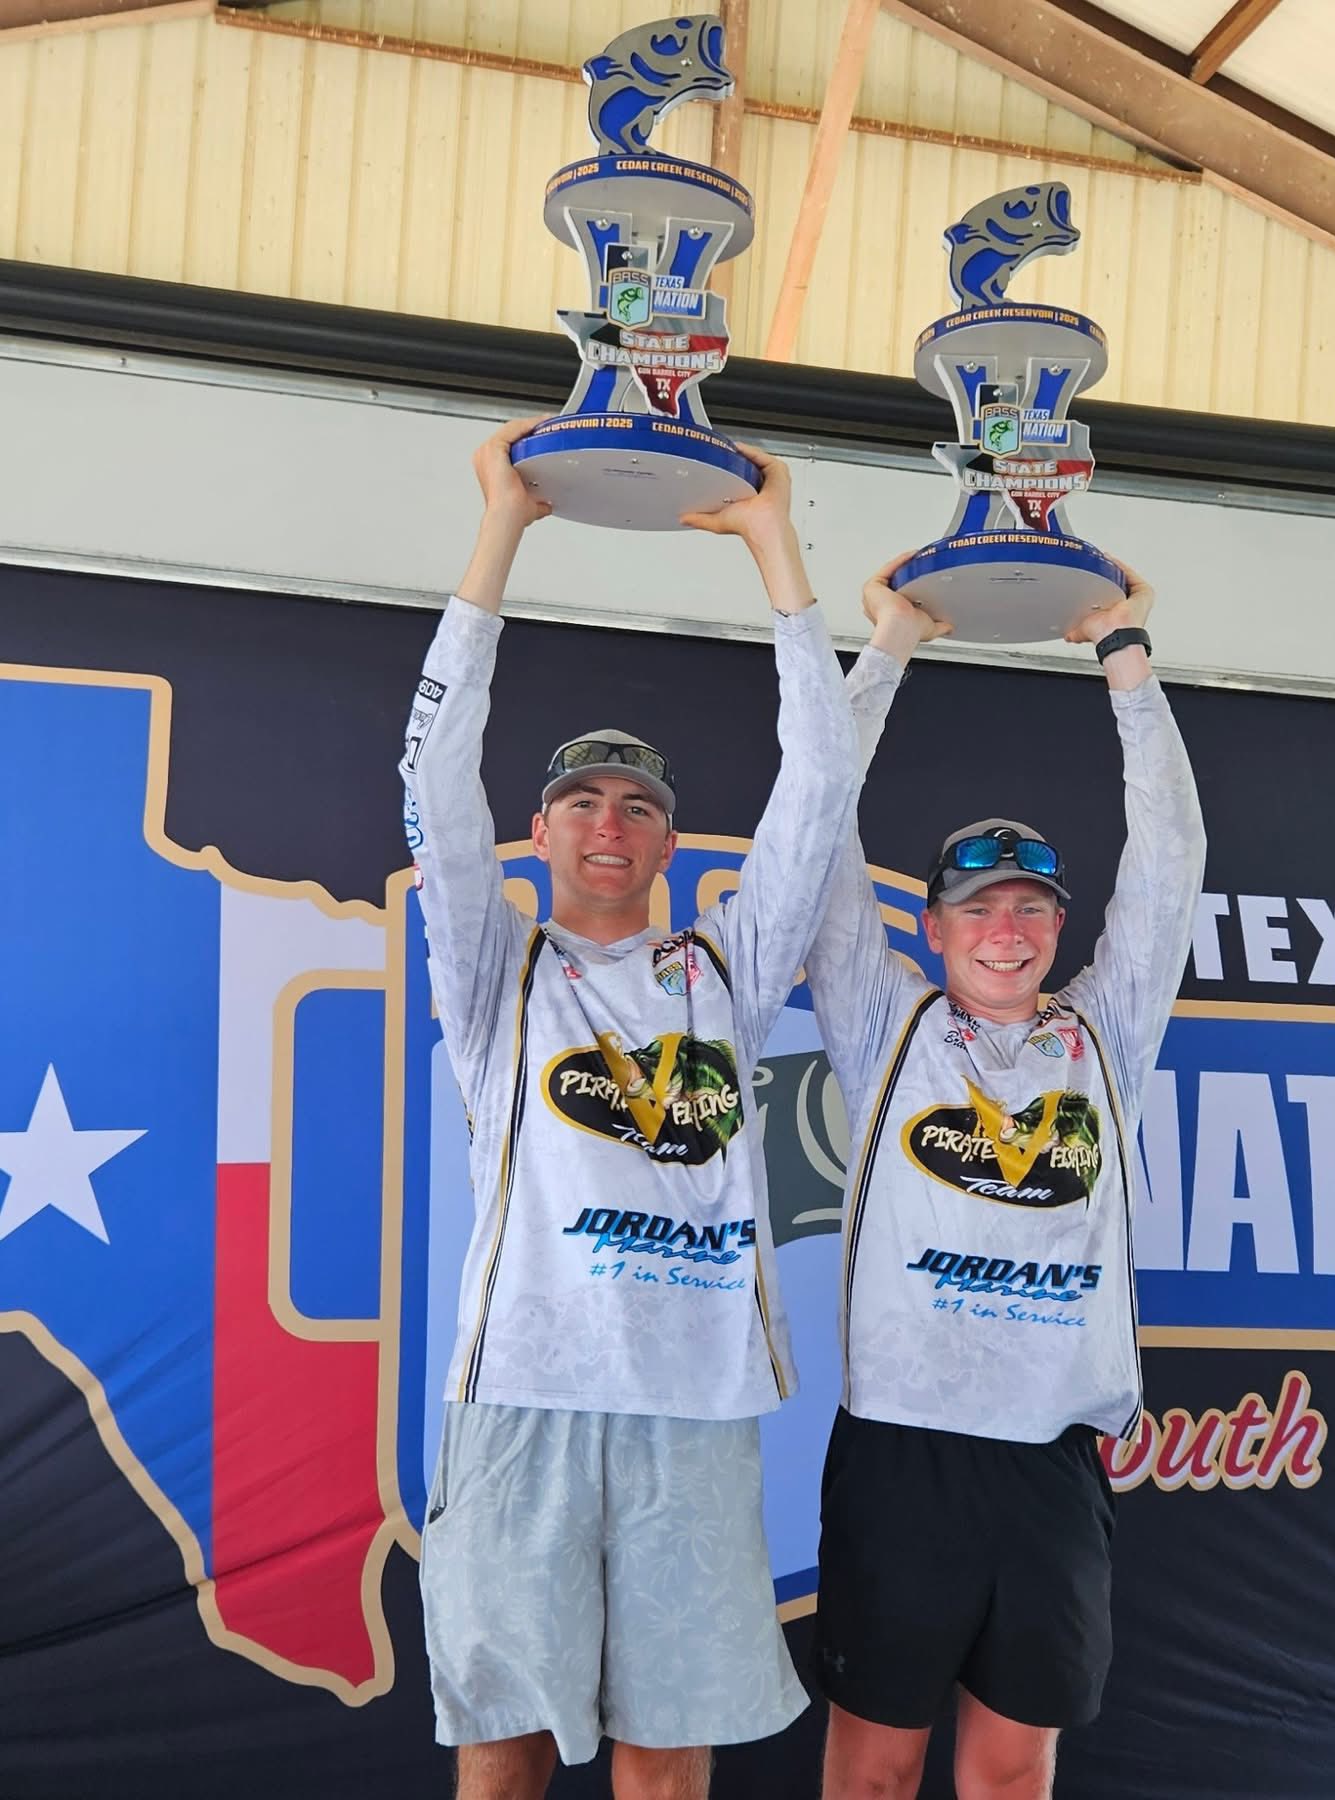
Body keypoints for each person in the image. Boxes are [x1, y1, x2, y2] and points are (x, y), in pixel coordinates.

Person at [403, 418, 860, 1800]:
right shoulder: (494, 970)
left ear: (668, 840)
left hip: (694, 1406)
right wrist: (502, 525)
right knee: (503, 1751)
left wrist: (777, 546)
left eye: (637, 805)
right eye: (581, 801)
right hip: (521, 1399)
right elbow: (430, 779)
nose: (609, 821)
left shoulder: (727, 968)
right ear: (540, 833)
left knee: (666, 1760)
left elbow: (819, 786)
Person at [805, 555, 1207, 1800]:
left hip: (1048, 1459)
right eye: (978, 907)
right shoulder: (885, 1026)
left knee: (1010, 1779)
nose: (1006, 929)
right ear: (931, 926)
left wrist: (1123, 655)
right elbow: (816, 823)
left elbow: (1171, 856)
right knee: (873, 1777)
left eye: (1030, 906)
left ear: (1057, 926)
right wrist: (887, 647)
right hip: (902, 1453)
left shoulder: (1103, 1035)